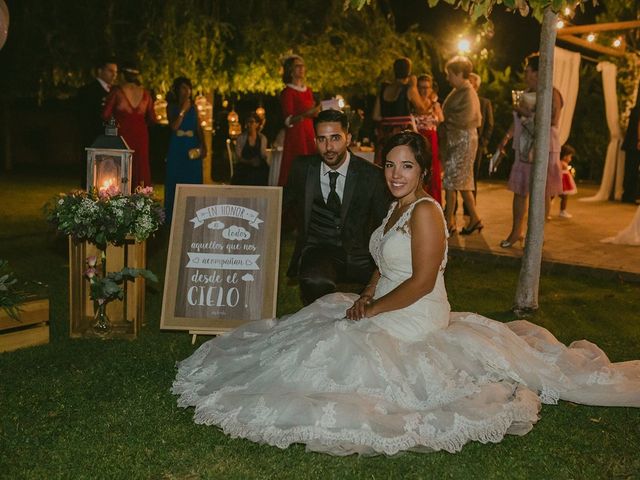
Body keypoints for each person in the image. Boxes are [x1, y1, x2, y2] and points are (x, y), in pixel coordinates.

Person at [173, 130, 639, 456]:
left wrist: (373, 308)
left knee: (341, 345)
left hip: (417, 313)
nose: (396, 174)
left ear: (423, 170)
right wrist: (366, 293)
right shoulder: (398, 206)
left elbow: (419, 281)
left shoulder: (426, 213)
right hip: (388, 301)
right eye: (391, 165)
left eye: (407, 167)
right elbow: (383, 264)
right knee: (327, 321)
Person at [283, 109, 390, 305]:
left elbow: (385, 224)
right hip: (320, 250)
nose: (328, 147)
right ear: (315, 140)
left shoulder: (372, 176)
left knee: (388, 289)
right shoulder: (301, 168)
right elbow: (280, 207)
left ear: (348, 138)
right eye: (322, 139)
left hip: (362, 252)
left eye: (335, 138)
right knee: (314, 281)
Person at [497, 53, 563, 248]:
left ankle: (536, 235)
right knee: (519, 191)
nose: (525, 75)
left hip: (543, 146)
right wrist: (506, 138)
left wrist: (525, 111)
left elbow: (552, 121)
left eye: (528, 71)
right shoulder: (525, 93)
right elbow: (516, 121)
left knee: (540, 192)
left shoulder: (552, 93)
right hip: (523, 146)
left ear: (538, 72)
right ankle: (516, 232)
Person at [440, 56, 483, 235]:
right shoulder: (462, 90)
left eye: (450, 74)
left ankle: (448, 222)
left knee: (450, 181)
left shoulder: (467, 92)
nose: (448, 78)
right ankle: (474, 218)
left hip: (463, 141)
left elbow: (466, 118)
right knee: (463, 183)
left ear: (458, 73)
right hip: (459, 140)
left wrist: (444, 121)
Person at [102, 62, 156, 188]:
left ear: (123, 75)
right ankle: (141, 195)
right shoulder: (146, 94)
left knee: (121, 164)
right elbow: (153, 118)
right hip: (141, 133)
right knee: (140, 165)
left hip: (123, 133)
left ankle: (120, 194)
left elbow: (106, 114)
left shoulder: (117, 92)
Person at [164, 77, 206, 224]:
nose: (187, 91)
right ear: (177, 89)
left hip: (192, 145)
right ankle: (173, 217)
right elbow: (174, 127)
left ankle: (193, 215)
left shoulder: (194, 107)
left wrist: (203, 145)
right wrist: (183, 111)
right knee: (175, 178)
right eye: (183, 88)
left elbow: (198, 127)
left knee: (192, 178)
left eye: (189, 88)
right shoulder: (172, 107)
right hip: (177, 145)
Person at [373, 57, 430, 165]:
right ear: (409, 71)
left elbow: (376, 116)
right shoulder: (408, 88)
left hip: (385, 135)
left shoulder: (384, 89)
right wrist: (414, 86)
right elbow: (422, 109)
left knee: (386, 165)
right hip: (403, 136)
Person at [278, 55, 320, 186]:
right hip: (296, 134)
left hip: (309, 132)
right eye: (298, 66)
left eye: (303, 66)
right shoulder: (288, 92)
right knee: (297, 165)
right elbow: (288, 120)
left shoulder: (308, 90)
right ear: (291, 70)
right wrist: (306, 114)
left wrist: (317, 111)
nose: (302, 69)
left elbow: (313, 112)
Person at [77, 57, 118, 188]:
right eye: (110, 71)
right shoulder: (88, 91)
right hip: (93, 138)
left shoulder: (116, 91)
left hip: (111, 139)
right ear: (100, 71)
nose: (114, 75)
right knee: (91, 172)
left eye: (115, 72)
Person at [414, 74, 444, 204]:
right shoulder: (414, 103)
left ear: (431, 88)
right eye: (421, 87)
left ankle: (434, 203)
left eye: (427, 87)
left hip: (432, 140)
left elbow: (441, 122)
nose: (424, 90)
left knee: (434, 173)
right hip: (418, 139)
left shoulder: (435, 105)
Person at [469, 72, 494, 204]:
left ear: (477, 86)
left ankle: (470, 207)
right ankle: (452, 207)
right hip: (461, 142)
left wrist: (483, 142)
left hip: (477, 144)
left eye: (471, 82)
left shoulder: (484, 102)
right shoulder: (460, 100)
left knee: (473, 175)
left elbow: (490, 124)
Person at [231, 112, 269, 186]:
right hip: (244, 166)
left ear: (257, 124)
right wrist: (248, 161)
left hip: (258, 167)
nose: (249, 125)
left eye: (251, 122)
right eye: (247, 122)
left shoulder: (262, 138)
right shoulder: (241, 138)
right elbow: (238, 157)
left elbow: (263, 154)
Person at [621, 83, 640, 204]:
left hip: (631, 143)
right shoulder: (638, 110)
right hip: (635, 143)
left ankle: (628, 194)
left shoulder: (635, 109)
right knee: (632, 169)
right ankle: (630, 195)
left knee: (630, 169)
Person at [558, 144, 577, 218]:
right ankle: (562, 211)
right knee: (563, 197)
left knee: (563, 197)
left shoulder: (564, 164)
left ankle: (563, 211)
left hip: (564, 185)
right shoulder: (562, 164)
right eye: (570, 156)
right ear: (565, 156)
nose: (570, 159)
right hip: (562, 185)